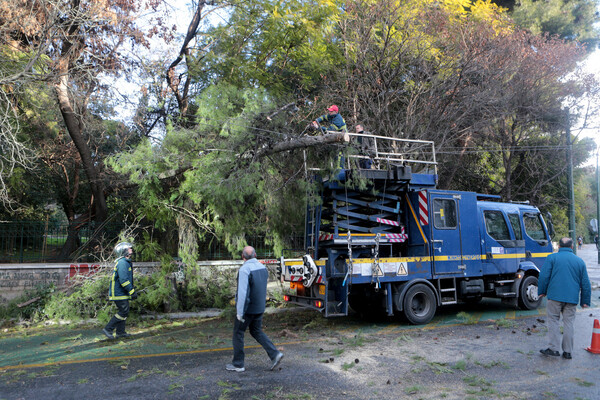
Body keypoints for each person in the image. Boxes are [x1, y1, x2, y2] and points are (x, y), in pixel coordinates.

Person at [226, 246, 283, 372]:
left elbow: (242, 293)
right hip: (260, 307)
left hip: (248, 310)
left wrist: (240, 313)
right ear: (255, 255)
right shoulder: (262, 268)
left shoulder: (245, 270)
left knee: (238, 333)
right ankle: (275, 354)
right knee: (256, 331)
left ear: (243, 257)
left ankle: (238, 364)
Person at [538, 237, 591, 359]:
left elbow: (543, 276)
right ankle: (567, 352)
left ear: (559, 247)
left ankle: (554, 349)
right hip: (571, 298)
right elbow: (585, 284)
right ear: (572, 247)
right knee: (569, 323)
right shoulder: (579, 261)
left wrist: (542, 291)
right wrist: (585, 301)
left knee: (553, 321)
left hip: (555, 296)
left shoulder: (552, 258)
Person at [102, 242, 138, 339]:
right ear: (124, 251)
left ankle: (120, 332)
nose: (131, 250)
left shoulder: (125, 262)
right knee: (124, 311)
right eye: (129, 248)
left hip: (122, 293)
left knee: (124, 311)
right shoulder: (122, 263)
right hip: (119, 293)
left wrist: (131, 290)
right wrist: (132, 291)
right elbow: (123, 280)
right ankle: (108, 329)